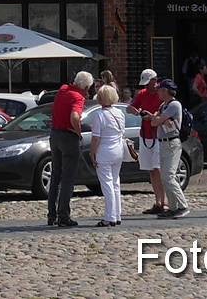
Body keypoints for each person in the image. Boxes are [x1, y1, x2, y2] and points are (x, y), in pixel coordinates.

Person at [47, 71, 92, 227]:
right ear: (85, 87)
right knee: (68, 177)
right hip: (67, 136)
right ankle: (63, 215)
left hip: (54, 134)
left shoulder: (63, 89)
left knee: (56, 175)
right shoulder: (78, 97)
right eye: (88, 88)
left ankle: (51, 214)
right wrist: (78, 132)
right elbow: (75, 116)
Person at [128, 69, 169, 215]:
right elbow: (129, 108)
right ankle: (158, 201)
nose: (147, 87)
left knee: (159, 168)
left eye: (149, 83)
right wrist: (139, 112)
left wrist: (153, 117)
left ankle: (164, 202)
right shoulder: (142, 94)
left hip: (158, 135)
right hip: (145, 135)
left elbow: (166, 112)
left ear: (155, 80)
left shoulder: (162, 93)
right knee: (151, 169)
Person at [88, 84, 129, 227]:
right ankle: (117, 214)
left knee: (107, 184)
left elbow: (95, 138)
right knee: (115, 183)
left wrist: (92, 152)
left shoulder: (99, 115)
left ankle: (109, 216)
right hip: (118, 150)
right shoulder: (119, 112)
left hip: (104, 151)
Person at [152, 78, 190, 219]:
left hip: (172, 143)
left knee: (169, 176)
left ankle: (183, 205)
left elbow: (156, 121)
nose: (158, 92)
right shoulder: (164, 105)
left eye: (159, 90)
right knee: (164, 177)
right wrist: (159, 119)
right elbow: (155, 120)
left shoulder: (174, 105)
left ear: (165, 91)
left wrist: (159, 119)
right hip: (162, 142)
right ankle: (173, 207)